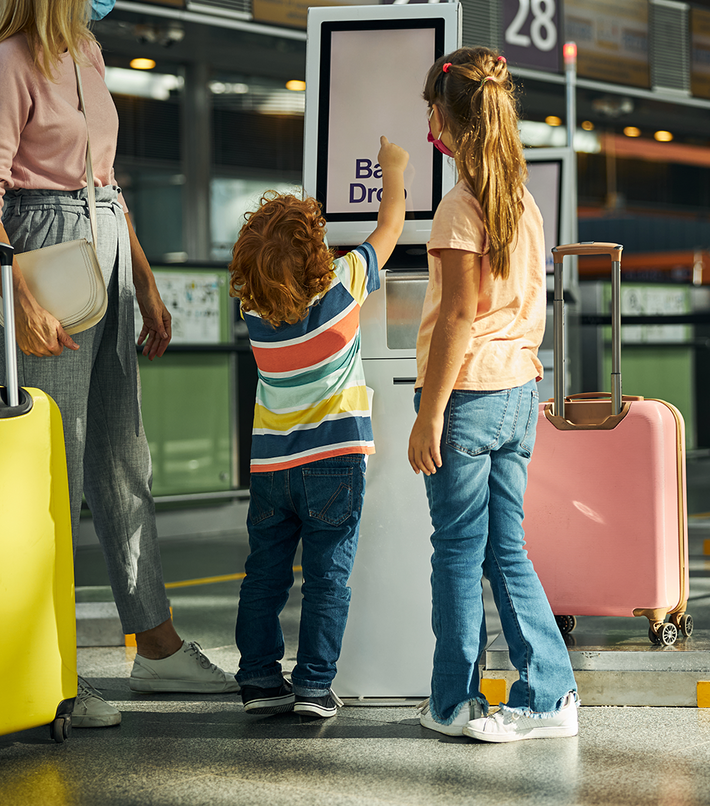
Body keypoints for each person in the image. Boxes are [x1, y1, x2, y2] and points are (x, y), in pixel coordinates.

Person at [0, 0, 238, 729]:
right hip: (41, 258)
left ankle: (155, 642)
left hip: (106, 247)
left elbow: (105, 182)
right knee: (52, 476)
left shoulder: (85, 47)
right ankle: (47, 667)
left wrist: (144, 280)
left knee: (124, 462)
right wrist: (14, 295)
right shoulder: (11, 60)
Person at [408, 48, 579, 742]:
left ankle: (453, 701)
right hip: (518, 394)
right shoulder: (521, 201)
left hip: (472, 395)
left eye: (430, 106)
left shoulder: (460, 207)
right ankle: (551, 693)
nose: (426, 118)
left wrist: (429, 414)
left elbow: (457, 317)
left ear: (447, 119)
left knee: (456, 549)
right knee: (504, 549)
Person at [229, 136, 409, 719]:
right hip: (334, 459)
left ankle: (258, 679)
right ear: (316, 257)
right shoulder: (340, 289)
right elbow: (390, 225)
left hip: (271, 468)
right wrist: (395, 169)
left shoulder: (252, 312)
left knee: (265, 576)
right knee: (328, 577)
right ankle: (312, 686)